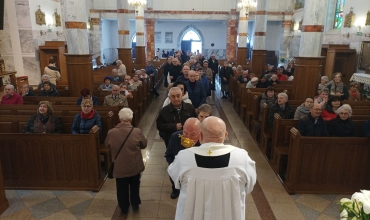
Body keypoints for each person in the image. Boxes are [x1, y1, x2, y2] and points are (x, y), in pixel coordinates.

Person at [168, 116, 257, 220]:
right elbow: (249, 186)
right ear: (225, 135)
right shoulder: (242, 158)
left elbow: (176, 181)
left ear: (200, 136)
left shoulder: (183, 157)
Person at [105, 108, 147, 214]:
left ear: (120, 119)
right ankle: (135, 203)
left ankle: (123, 208)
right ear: (131, 119)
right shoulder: (136, 131)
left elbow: (107, 145)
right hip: (134, 166)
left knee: (121, 188)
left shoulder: (111, 132)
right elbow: (144, 145)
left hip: (120, 167)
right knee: (134, 185)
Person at [165, 118, 201, 199]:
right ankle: (175, 190)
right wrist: (175, 167)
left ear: (200, 133)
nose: (188, 137)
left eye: (193, 134)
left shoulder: (203, 142)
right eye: (185, 132)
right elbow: (168, 155)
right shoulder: (175, 137)